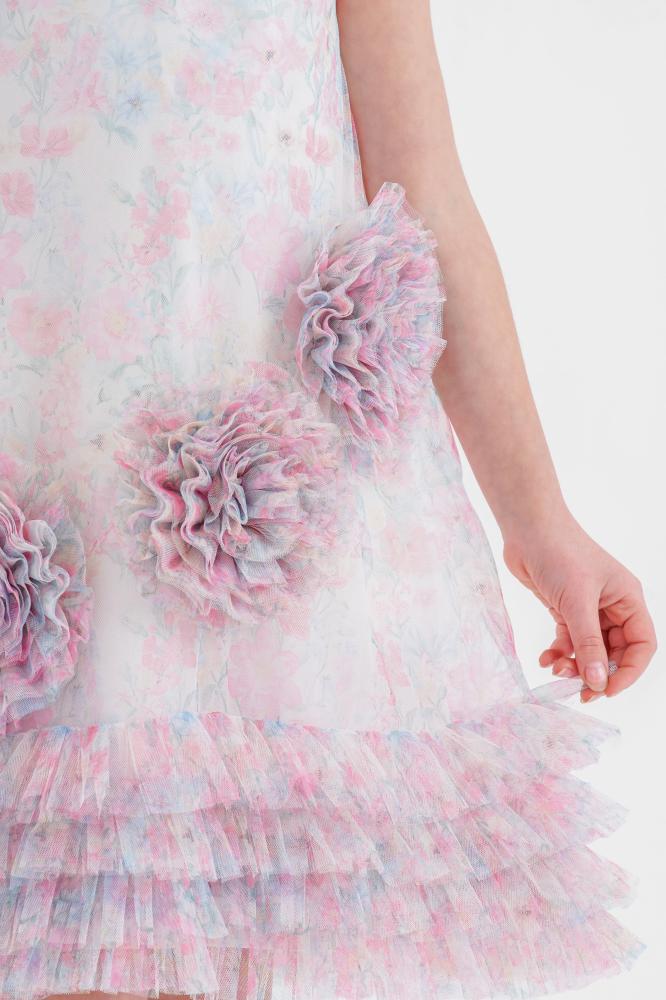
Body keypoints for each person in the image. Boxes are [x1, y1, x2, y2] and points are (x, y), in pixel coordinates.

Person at [0, 2, 656, 999]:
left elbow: (424, 192)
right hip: (51, 518)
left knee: (204, 943)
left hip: (273, 540)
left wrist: (539, 519)